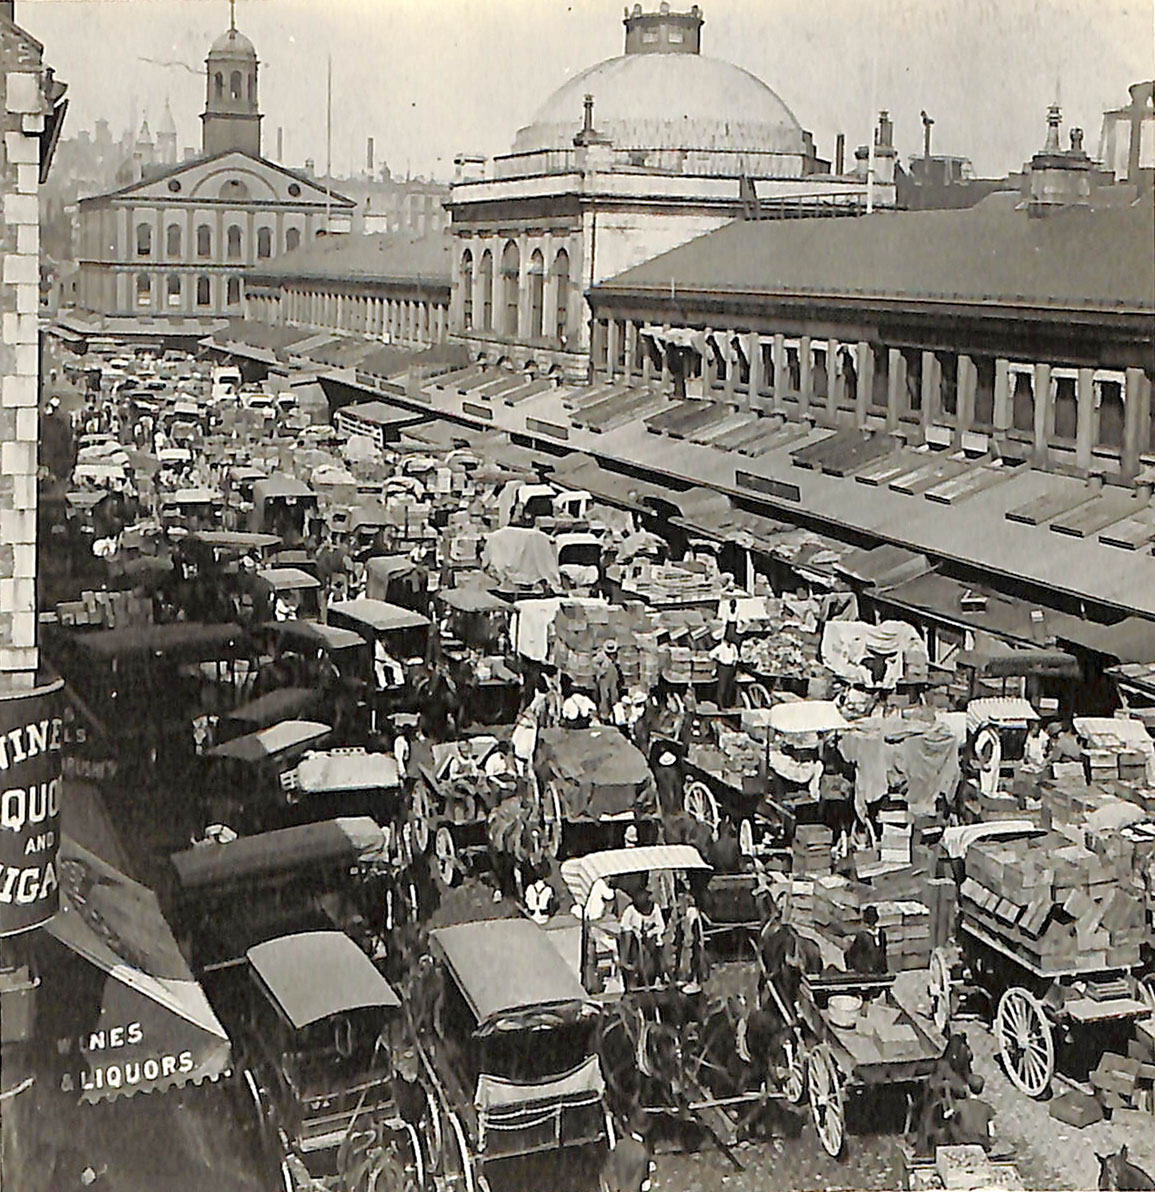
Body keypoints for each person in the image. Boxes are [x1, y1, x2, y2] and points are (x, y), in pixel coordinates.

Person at [620, 886, 665, 989]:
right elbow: (624, 925)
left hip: (651, 938)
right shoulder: (630, 910)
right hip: (635, 940)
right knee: (629, 939)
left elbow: (661, 926)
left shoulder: (655, 908)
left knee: (656, 947)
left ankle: (659, 974)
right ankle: (629, 964)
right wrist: (635, 931)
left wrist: (651, 932)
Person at [845, 904, 888, 975]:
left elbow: (855, 953)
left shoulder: (863, 935)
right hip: (879, 968)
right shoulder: (881, 933)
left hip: (868, 969)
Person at [592, 638, 623, 722]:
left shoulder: (615, 655)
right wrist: (600, 671)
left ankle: (614, 714)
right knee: (604, 696)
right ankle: (604, 715)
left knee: (614, 694)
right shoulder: (601, 655)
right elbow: (594, 662)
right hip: (604, 678)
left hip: (613, 676)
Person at [709, 631, 739, 709]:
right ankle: (720, 705)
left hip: (730, 667)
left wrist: (734, 661)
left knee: (729, 686)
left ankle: (727, 704)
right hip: (723, 667)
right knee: (722, 686)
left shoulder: (733, 647)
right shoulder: (721, 647)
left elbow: (736, 656)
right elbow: (711, 654)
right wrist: (718, 659)